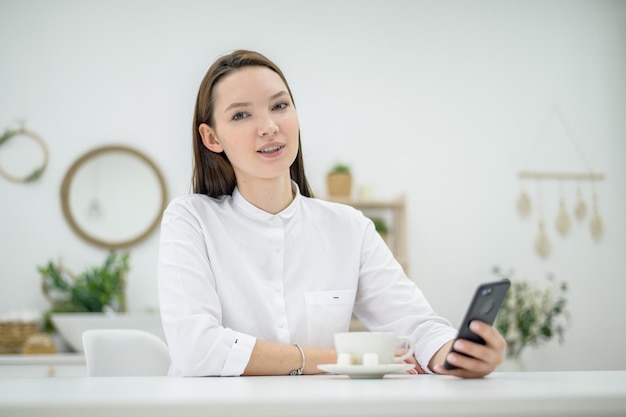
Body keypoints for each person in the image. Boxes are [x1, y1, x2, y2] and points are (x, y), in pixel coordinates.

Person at [157, 50, 506, 378]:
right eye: (241, 114)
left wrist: (455, 355)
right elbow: (196, 348)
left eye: (279, 106)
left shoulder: (349, 227)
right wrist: (335, 359)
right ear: (211, 137)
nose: (269, 126)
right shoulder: (191, 220)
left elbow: (415, 323)